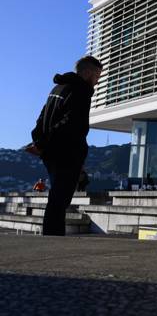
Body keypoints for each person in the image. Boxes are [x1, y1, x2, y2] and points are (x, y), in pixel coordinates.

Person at [30, 56, 102, 236]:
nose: (97, 81)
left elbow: (42, 116)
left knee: (56, 198)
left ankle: (51, 235)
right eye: (96, 76)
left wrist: (39, 141)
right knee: (59, 199)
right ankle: (53, 237)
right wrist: (46, 142)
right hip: (66, 152)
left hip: (51, 152)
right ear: (86, 73)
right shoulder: (81, 90)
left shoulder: (58, 88)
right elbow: (71, 123)